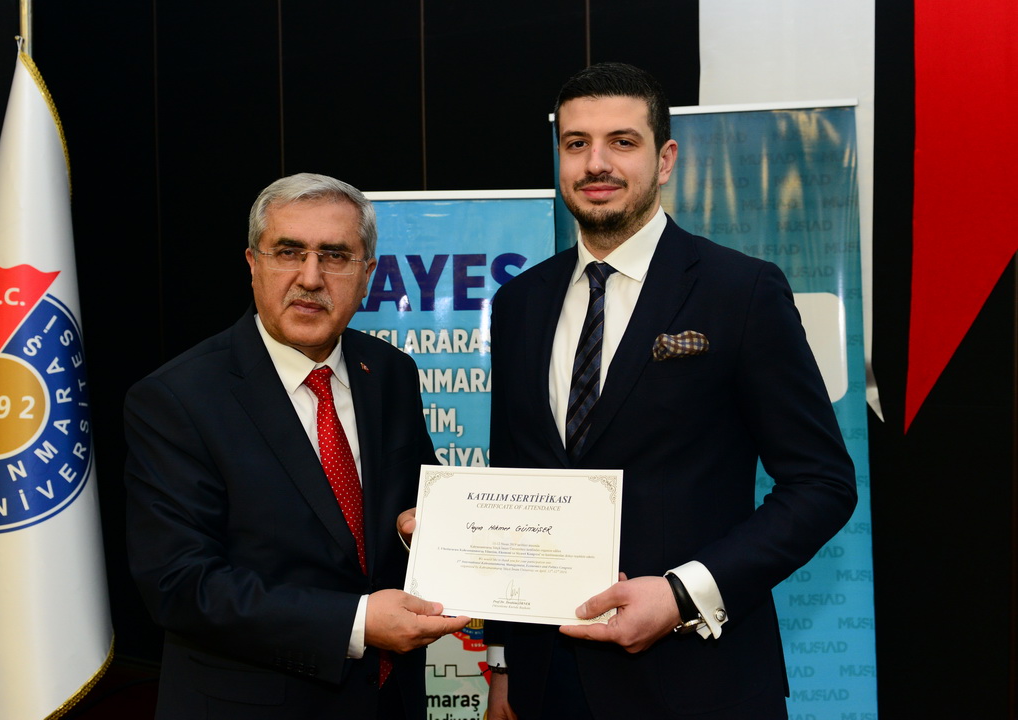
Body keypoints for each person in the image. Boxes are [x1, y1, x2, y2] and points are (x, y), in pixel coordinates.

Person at [483, 63, 857, 719]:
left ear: (665, 159)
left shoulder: (741, 291)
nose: (596, 163)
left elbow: (821, 482)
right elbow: (513, 482)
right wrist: (505, 663)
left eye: (622, 142)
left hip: (698, 682)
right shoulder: (519, 303)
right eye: (576, 143)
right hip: (548, 683)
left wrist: (682, 595)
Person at [124, 172, 468, 720]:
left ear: (367, 275)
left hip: (390, 702)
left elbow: (404, 514)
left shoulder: (390, 372)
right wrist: (356, 622)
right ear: (252, 263)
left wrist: (423, 532)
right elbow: (181, 584)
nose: (310, 277)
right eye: (288, 252)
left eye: (335, 256)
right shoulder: (177, 398)